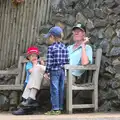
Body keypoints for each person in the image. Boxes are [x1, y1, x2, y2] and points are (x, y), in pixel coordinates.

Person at [12, 46, 46, 115]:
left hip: (36, 84)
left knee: (33, 98)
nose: (34, 57)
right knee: (25, 98)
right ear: (29, 58)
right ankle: (23, 109)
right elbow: (32, 71)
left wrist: (42, 65)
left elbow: (41, 73)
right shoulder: (29, 64)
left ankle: (29, 110)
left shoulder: (38, 64)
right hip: (28, 83)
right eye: (32, 56)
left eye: (35, 56)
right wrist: (34, 65)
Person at [44, 26, 69, 115]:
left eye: (49, 37)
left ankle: (55, 109)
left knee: (54, 89)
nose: (48, 40)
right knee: (61, 89)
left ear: (52, 37)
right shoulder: (64, 47)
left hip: (54, 71)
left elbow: (49, 62)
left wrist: (46, 71)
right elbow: (67, 60)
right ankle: (60, 108)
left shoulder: (51, 48)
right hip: (62, 71)